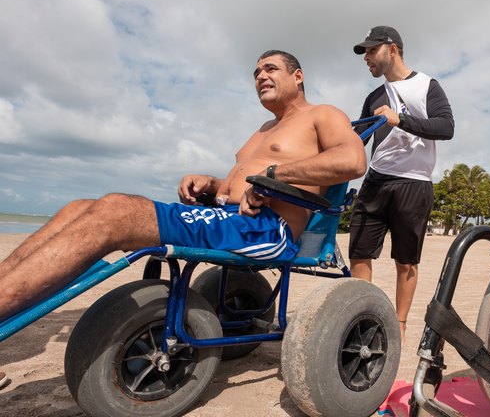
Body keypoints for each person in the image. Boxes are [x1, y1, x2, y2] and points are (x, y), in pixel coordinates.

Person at [0, 50, 366, 325]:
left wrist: (275, 174)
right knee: (77, 207)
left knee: (114, 210)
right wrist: (213, 182)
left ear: (298, 75)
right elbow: (242, 184)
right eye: (255, 72)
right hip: (226, 217)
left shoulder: (322, 114)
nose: (260, 76)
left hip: (268, 228)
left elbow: (353, 161)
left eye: (270, 68)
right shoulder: (263, 129)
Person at [348, 26, 454, 344]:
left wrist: (400, 119)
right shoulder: (373, 97)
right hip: (376, 180)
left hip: (414, 182)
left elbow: (446, 127)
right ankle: (362, 320)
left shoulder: (426, 86)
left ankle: (399, 324)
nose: (366, 58)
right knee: (359, 253)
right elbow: (359, 143)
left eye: (371, 50)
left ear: (391, 49)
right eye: (364, 53)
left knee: (406, 261)